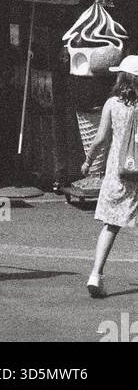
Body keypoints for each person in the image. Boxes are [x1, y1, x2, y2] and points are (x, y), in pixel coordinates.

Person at [83, 55, 138, 298]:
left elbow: (100, 138)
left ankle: (96, 273)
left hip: (118, 172)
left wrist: (88, 161)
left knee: (111, 225)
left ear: (121, 77)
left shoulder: (112, 104)